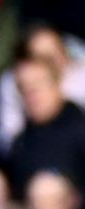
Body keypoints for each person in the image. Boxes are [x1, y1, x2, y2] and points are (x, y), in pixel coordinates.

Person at [9, 56, 85, 191]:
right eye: (22, 86)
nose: (30, 91)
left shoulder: (80, 129)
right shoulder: (21, 143)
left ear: (57, 83)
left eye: (38, 82)